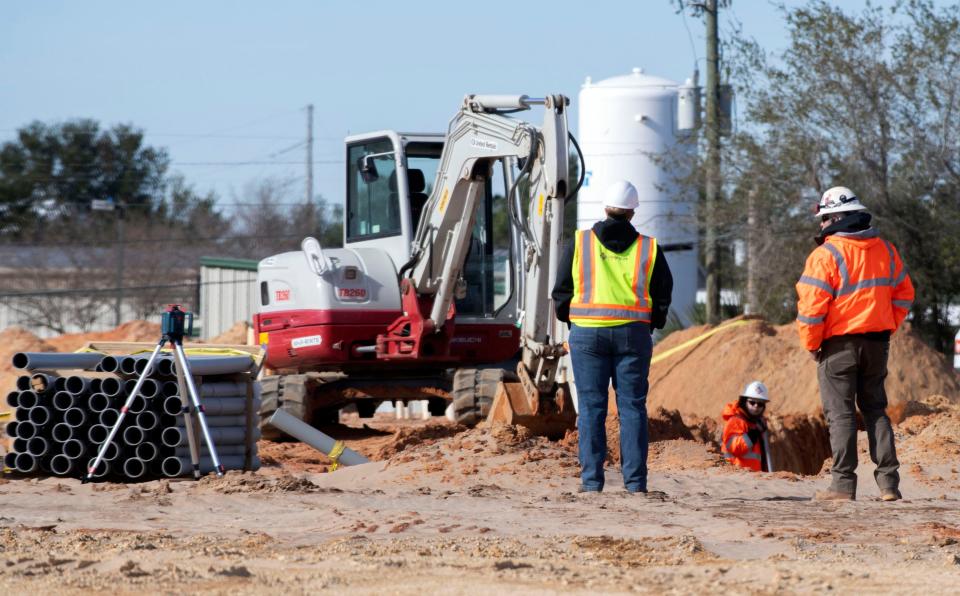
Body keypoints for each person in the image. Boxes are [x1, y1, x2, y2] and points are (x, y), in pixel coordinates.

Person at [552, 180, 673, 493]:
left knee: (592, 408)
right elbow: (662, 295)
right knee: (632, 408)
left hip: (587, 336)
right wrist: (649, 324)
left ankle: (592, 483)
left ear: (605, 208)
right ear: (632, 212)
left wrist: (573, 322)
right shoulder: (649, 246)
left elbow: (561, 291)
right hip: (633, 336)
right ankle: (635, 484)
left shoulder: (580, 243)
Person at [795, 186, 914, 502]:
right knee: (875, 409)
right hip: (877, 343)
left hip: (839, 346)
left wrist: (812, 344)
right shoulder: (886, 250)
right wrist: (886, 324)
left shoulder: (826, 255)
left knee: (841, 413)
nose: (820, 226)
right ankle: (889, 484)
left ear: (835, 217)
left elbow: (811, 309)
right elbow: (904, 295)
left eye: (823, 219)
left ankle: (843, 486)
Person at [721, 381, 771, 472]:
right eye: (752, 402)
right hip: (737, 476)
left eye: (760, 404)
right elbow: (733, 447)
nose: (756, 406)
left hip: (754, 477)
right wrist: (752, 435)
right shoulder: (736, 421)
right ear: (744, 401)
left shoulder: (755, 424)